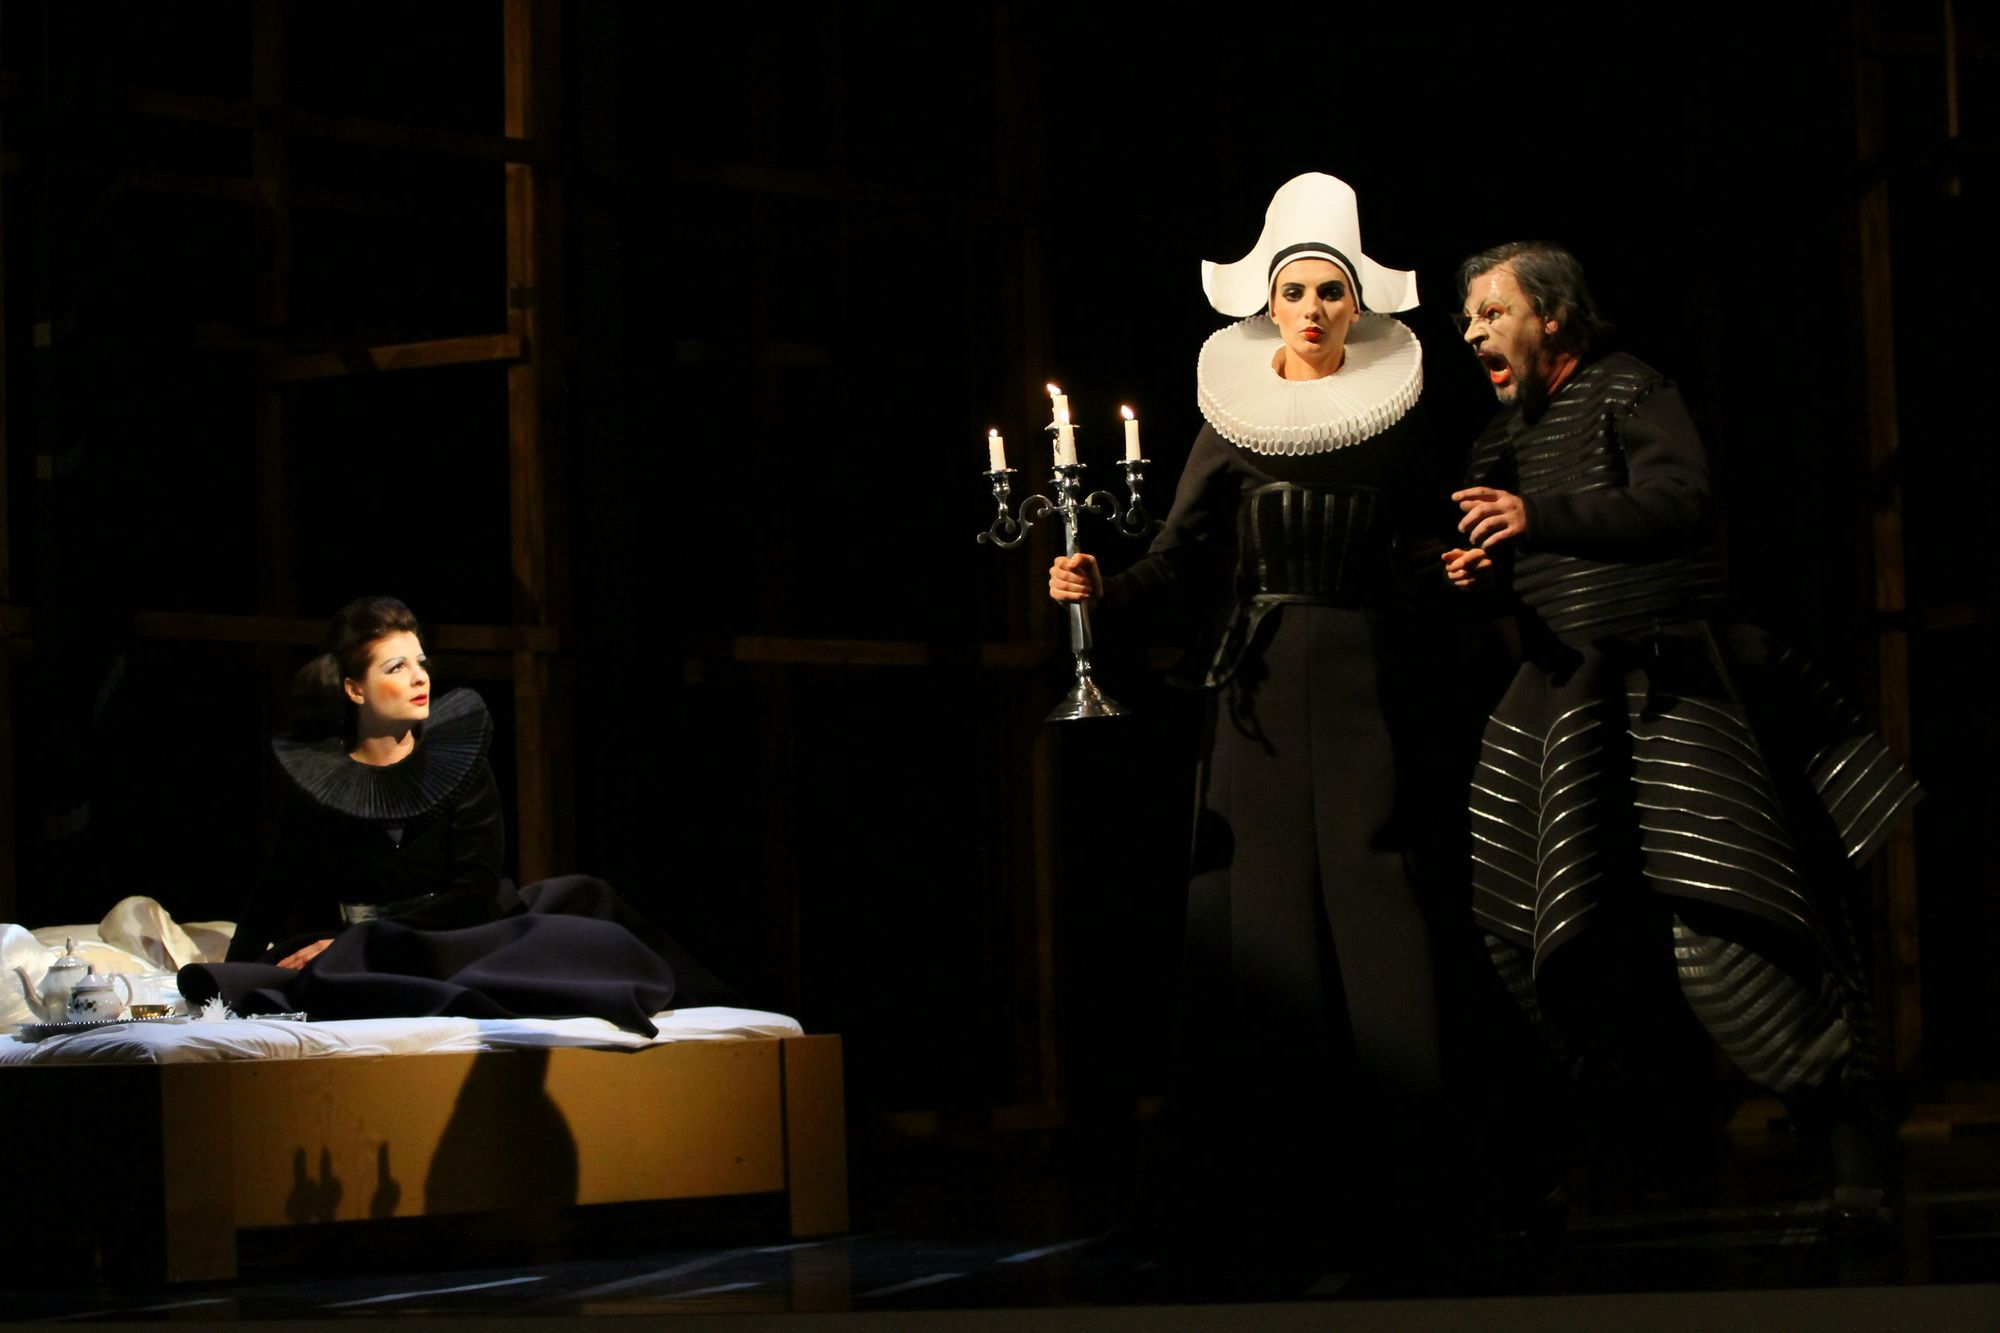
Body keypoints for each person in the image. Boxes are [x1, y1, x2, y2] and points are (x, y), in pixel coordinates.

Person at [1440, 241, 1920, 1217]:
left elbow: (1680, 500)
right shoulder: (1498, 444)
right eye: (1468, 317)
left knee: (1727, 912)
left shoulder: (1628, 389)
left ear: (1553, 316)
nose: (1474, 331)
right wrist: (1477, 574)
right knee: (1533, 914)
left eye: (1492, 311)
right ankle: (1630, 1147)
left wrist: (1538, 518)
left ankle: (1852, 1155)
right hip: (1562, 696)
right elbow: (1516, 557)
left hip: (1662, 682)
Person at [1049, 173, 1473, 1264]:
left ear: (1356, 302)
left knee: (1379, 922)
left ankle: (1412, 1192)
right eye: (1295, 291)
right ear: (1268, 302)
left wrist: (1452, 569)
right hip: (1259, 694)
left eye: (1330, 291)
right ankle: (1252, 1196)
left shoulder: (1396, 417)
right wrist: (1098, 587)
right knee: (1262, 939)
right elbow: (1175, 561)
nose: (1313, 309)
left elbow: (1414, 554)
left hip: (1363, 685)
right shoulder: (1231, 420)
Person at [203, 596, 735, 1031]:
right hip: (361, 950)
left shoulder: (458, 761)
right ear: (354, 689)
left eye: (421, 662)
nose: (419, 677)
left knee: (590, 919)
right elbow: (274, 890)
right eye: (397, 667)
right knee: (282, 978)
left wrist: (363, 940)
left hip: (458, 936)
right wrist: (227, 983)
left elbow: (475, 893)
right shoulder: (321, 782)